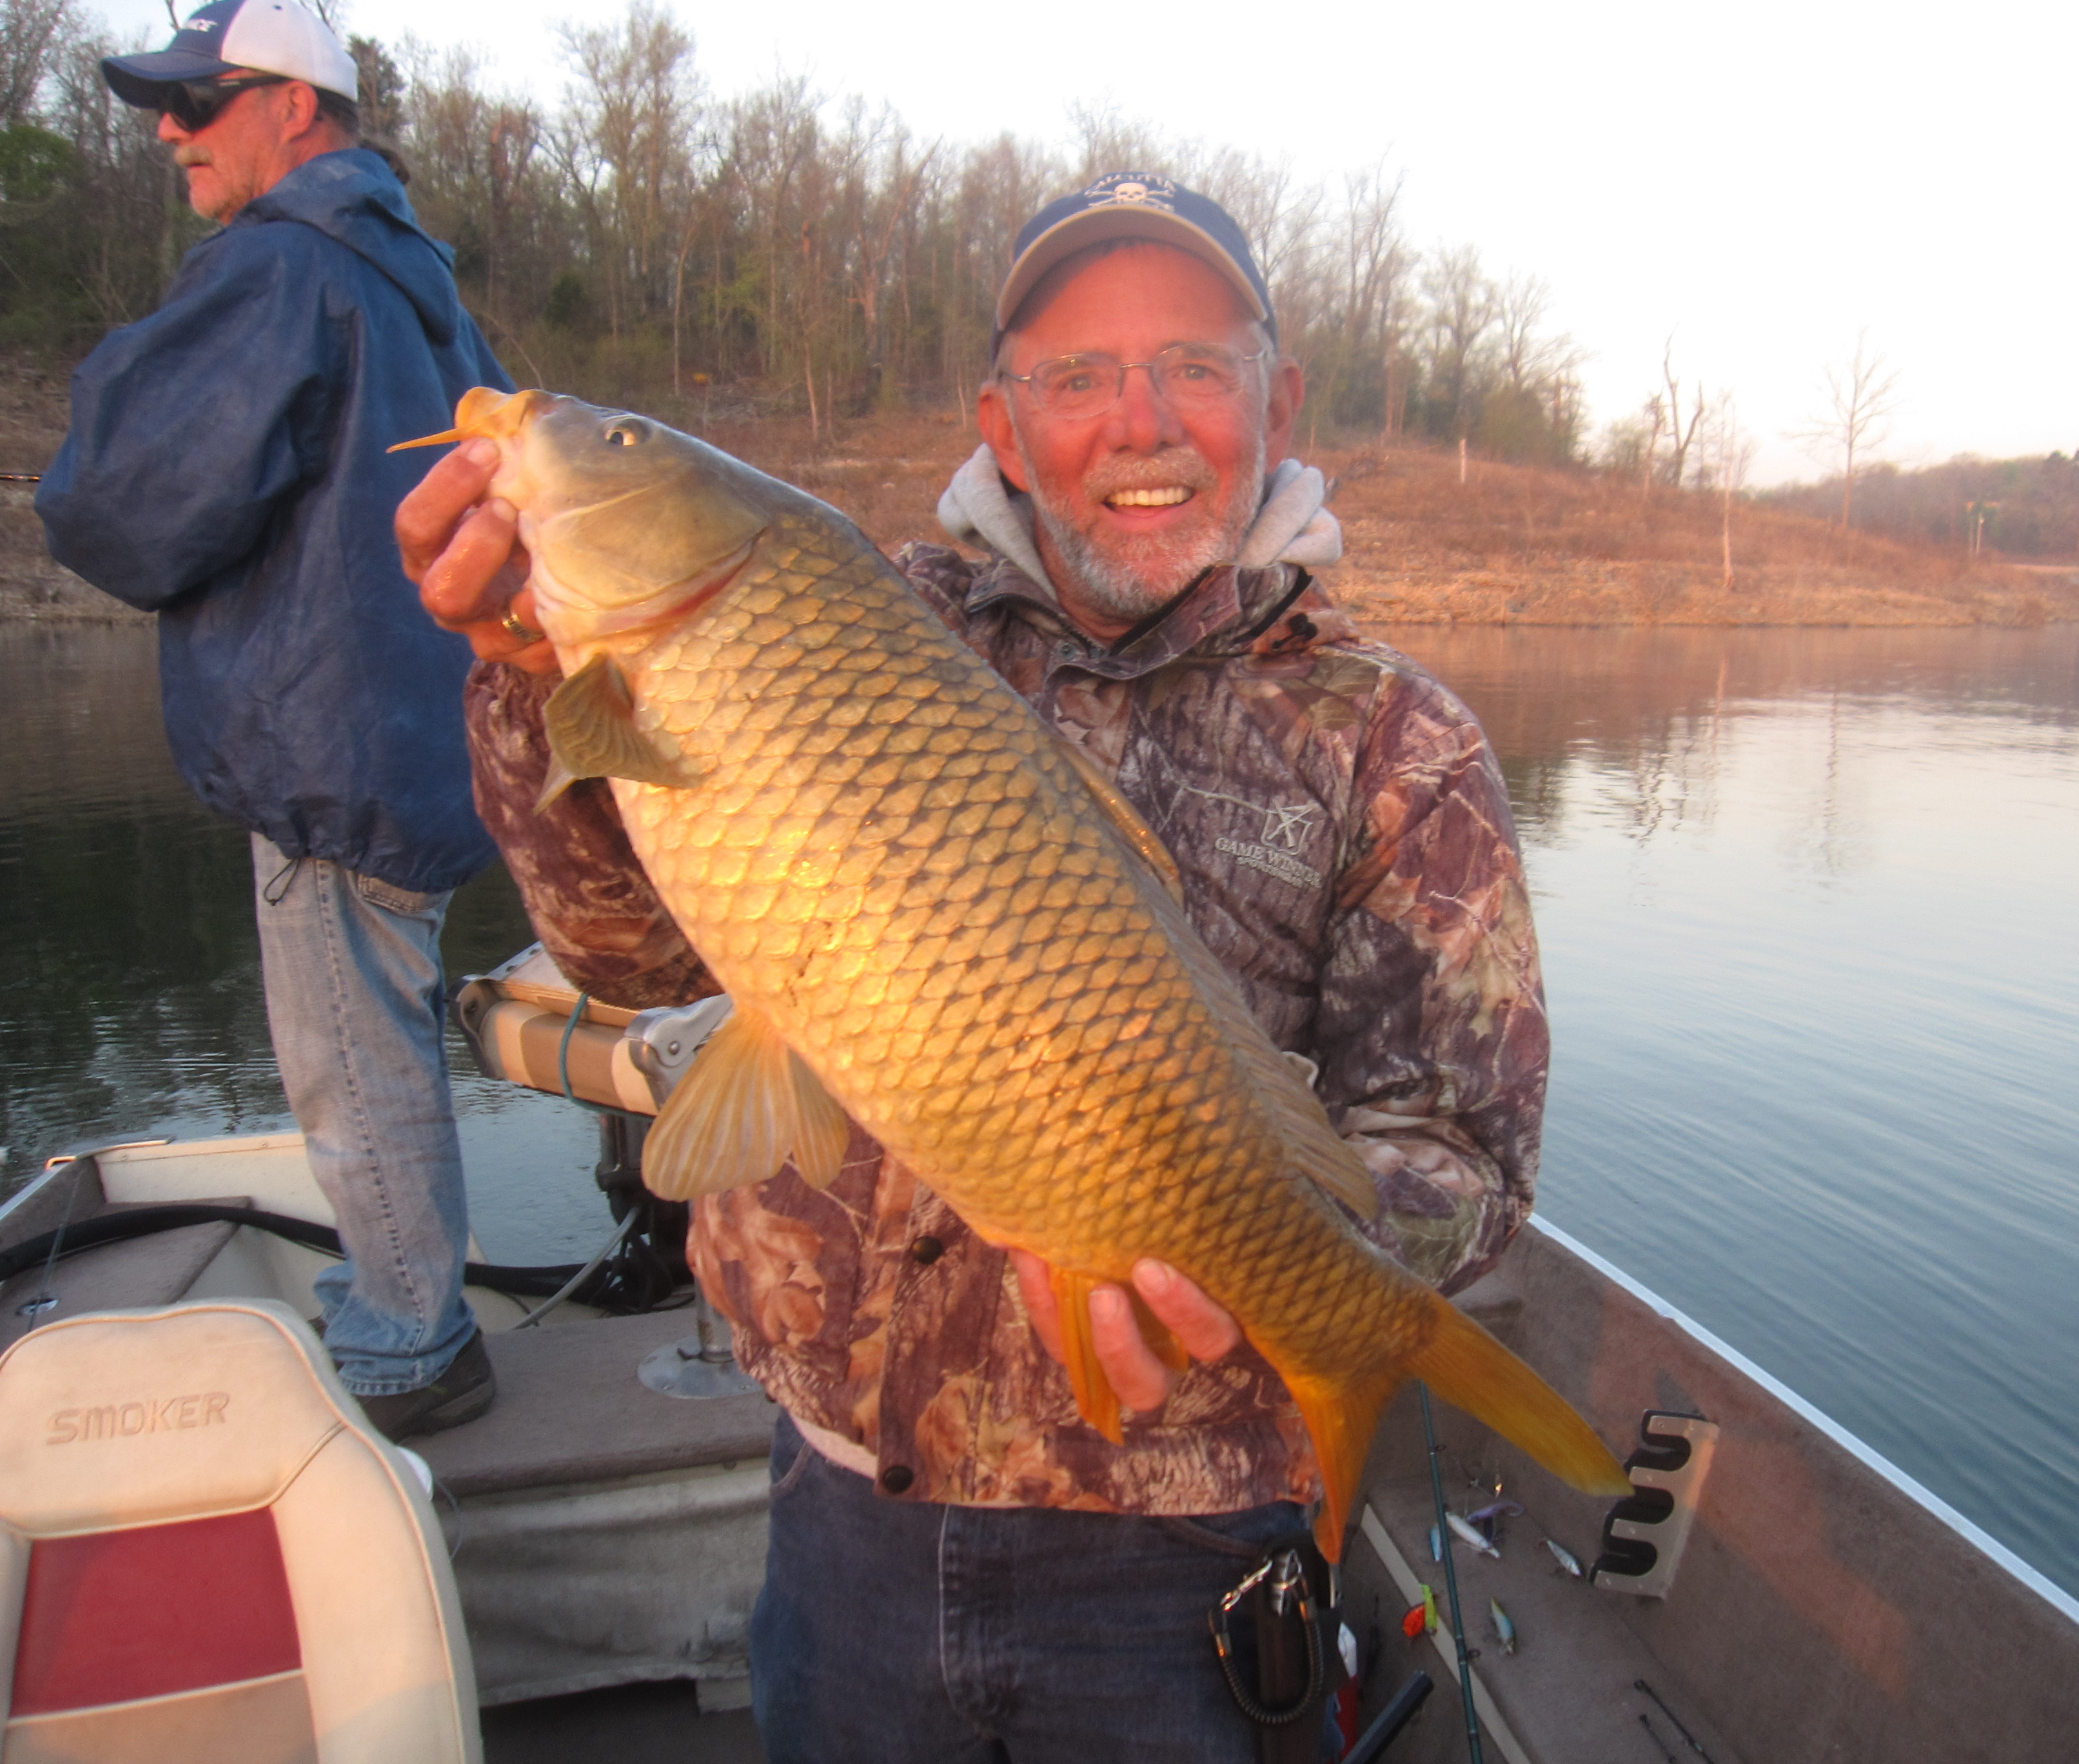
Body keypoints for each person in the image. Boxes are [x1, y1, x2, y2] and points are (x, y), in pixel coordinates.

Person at [400, 172, 1548, 1759]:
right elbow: (625, 948)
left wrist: (1291, 1264)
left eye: (1193, 368)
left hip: (1192, 1546)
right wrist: (528, 683)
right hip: (842, 1514)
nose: (1136, 422)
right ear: (1003, 426)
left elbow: (1467, 1154)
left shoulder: (1401, 746)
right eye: (1075, 377)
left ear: (1276, 403)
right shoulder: (850, 619)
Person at [37, 0, 512, 1438]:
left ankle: (411, 1340)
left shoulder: (282, 264)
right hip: (431, 737)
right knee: (382, 1025)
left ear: (296, 108)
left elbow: (129, 501)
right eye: (163, 108)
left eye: (201, 101)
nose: (170, 134)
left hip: (330, 737)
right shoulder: (416, 268)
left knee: (344, 1053)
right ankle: (408, 1301)